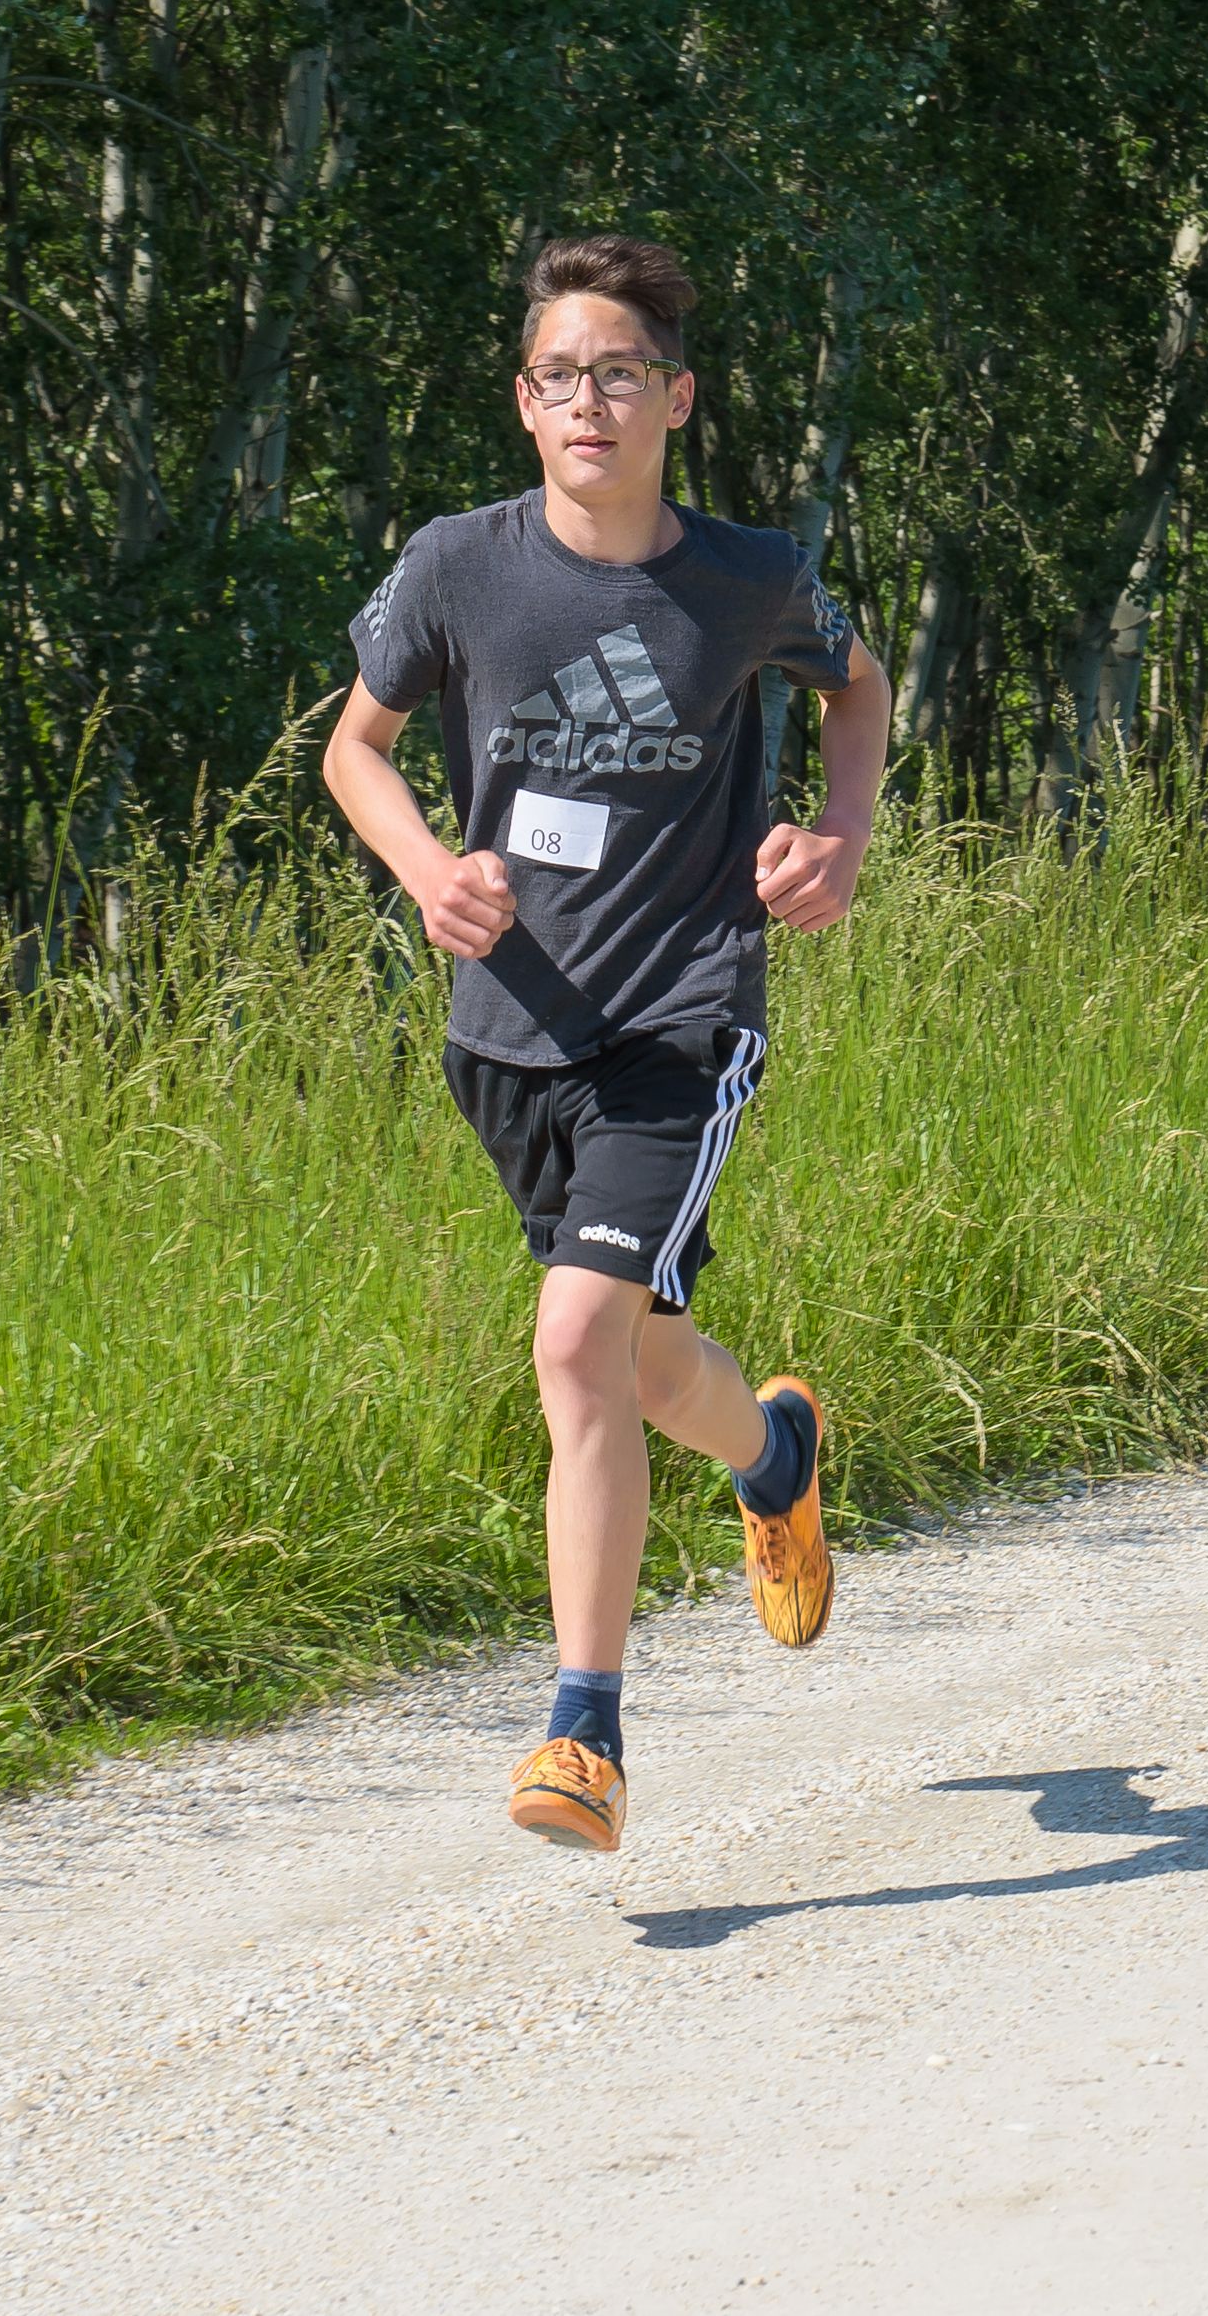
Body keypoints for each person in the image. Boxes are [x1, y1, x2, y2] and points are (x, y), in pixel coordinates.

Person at [322, 232, 894, 1852]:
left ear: (677, 400)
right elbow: (355, 749)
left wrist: (838, 839)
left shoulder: (749, 576)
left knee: (575, 1339)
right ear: (525, 401)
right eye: (562, 375)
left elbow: (859, 691)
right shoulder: (458, 565)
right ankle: (775, 1453)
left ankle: (586, 1731)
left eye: (622, 374)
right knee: (637, 1362)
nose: (592, 401)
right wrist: (428, 870)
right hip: (513, 1026)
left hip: (679, 1020)